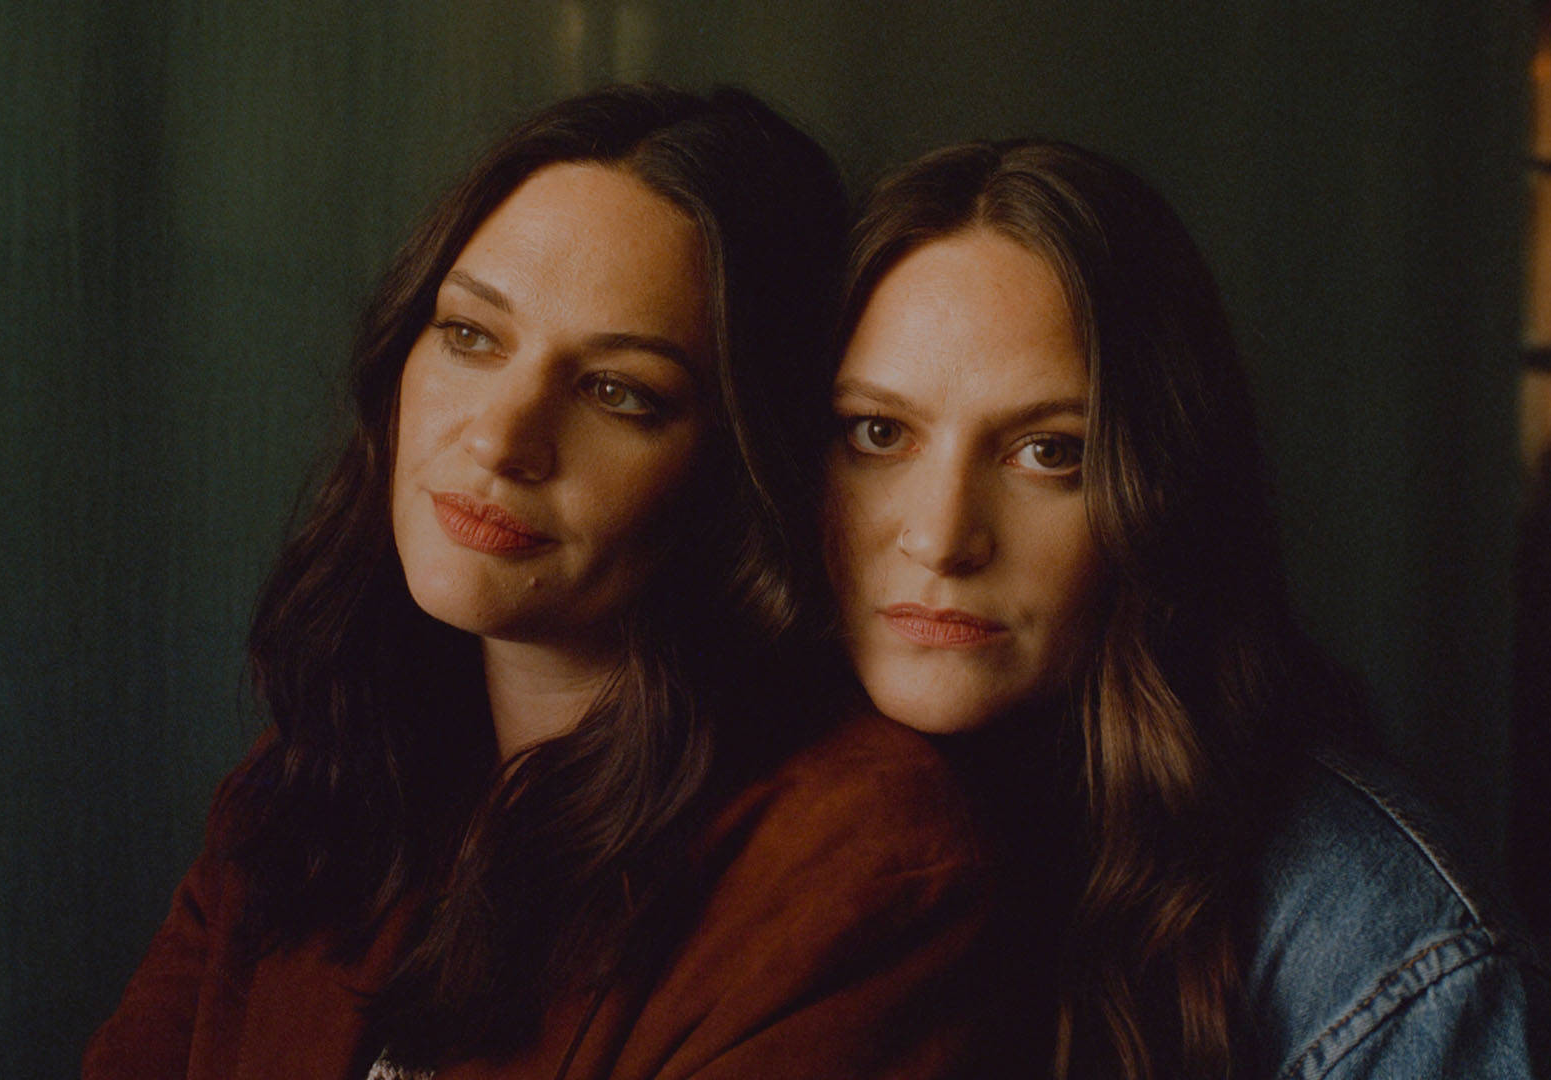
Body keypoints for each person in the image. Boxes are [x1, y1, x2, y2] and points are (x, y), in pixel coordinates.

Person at [85, 85, 1016, 1080]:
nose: (500, 437)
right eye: (471, 337)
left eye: (620, 392)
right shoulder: (313, 778)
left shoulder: (855, 862)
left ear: (739, 467)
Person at [816, 139, 1551, 1079]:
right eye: (878, 433)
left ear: (1162, 490)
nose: (942, 538)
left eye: (1049, 453)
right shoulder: (722, 823)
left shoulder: (1388, 950)